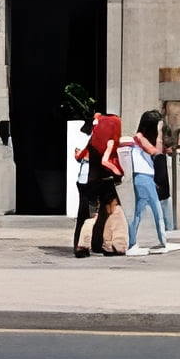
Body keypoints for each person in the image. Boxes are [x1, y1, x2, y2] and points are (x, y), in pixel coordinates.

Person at [72, 109, 124, 256]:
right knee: (109, 213)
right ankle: (107, 245)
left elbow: (80, 156)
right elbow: (105, 161)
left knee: (89, 214)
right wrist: (119, 172)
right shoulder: (107, 140)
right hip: (101, 179)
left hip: (86, 180)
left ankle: (84, 245)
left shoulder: (93, 140)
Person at [123, 108, 171, 255]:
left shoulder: (144, 138)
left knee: (143, 211)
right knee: (150, 211)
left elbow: (159, 152)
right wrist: (160, 133)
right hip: (143, 178)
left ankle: (155, 242)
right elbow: (155, 151)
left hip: (147, 178)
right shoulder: (138, 137)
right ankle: (134, 243)